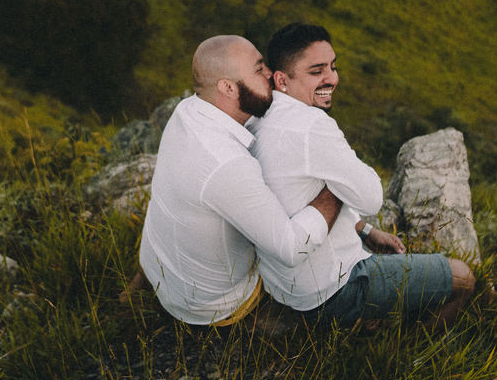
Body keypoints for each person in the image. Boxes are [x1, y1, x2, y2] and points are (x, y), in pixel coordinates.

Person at [250, 23, 475, 327]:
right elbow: (371, 197)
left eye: (333, 66)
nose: (332, 78)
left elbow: (298, 198)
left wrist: (365, 232)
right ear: (282, 80)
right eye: (316, 71)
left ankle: (375, 321)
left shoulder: (260, 120)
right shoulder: (312, 125)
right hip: (331, 289)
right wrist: (345, 172)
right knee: (463, 277)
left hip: (287, 287)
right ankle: (406, 354)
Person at [137, 35, 344, 326]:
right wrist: (335, 188)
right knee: (316, 228)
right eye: (259, 69)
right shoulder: (228, 163)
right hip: (211, 306)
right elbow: (290, 248)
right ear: (228, 87)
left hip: (160, 271)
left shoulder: (187, 111)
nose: (271, 74)